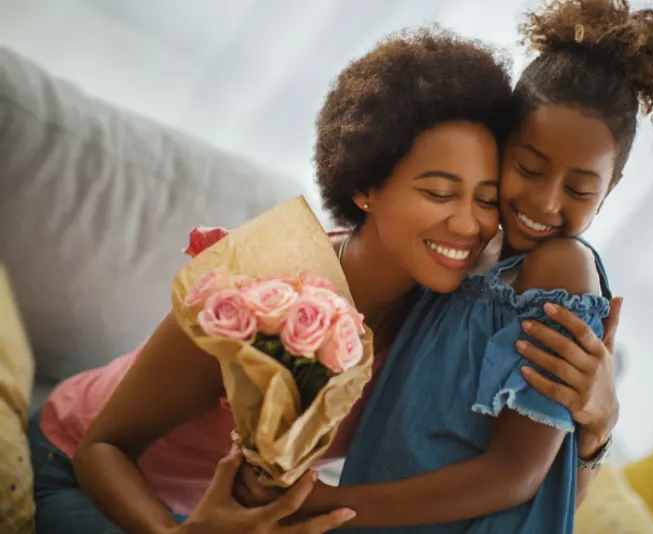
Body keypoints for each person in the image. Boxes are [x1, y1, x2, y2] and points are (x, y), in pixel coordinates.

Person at [26, 28, 619, 534]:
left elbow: (524, 486)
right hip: (74, 468)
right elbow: (103, 448)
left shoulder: (445, 308)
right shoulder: (260, 286)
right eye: (438, 192)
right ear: (365, 186)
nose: (467, 224)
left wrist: (596, 428)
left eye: (485, 199)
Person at [244, 1, 653, 532]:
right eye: (528, 168)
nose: (547, 203)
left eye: (578, 189)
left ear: (610, 191)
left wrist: (329, 505)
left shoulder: (562, 269)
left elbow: (515, 477)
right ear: (501, 146)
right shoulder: (466, 254)